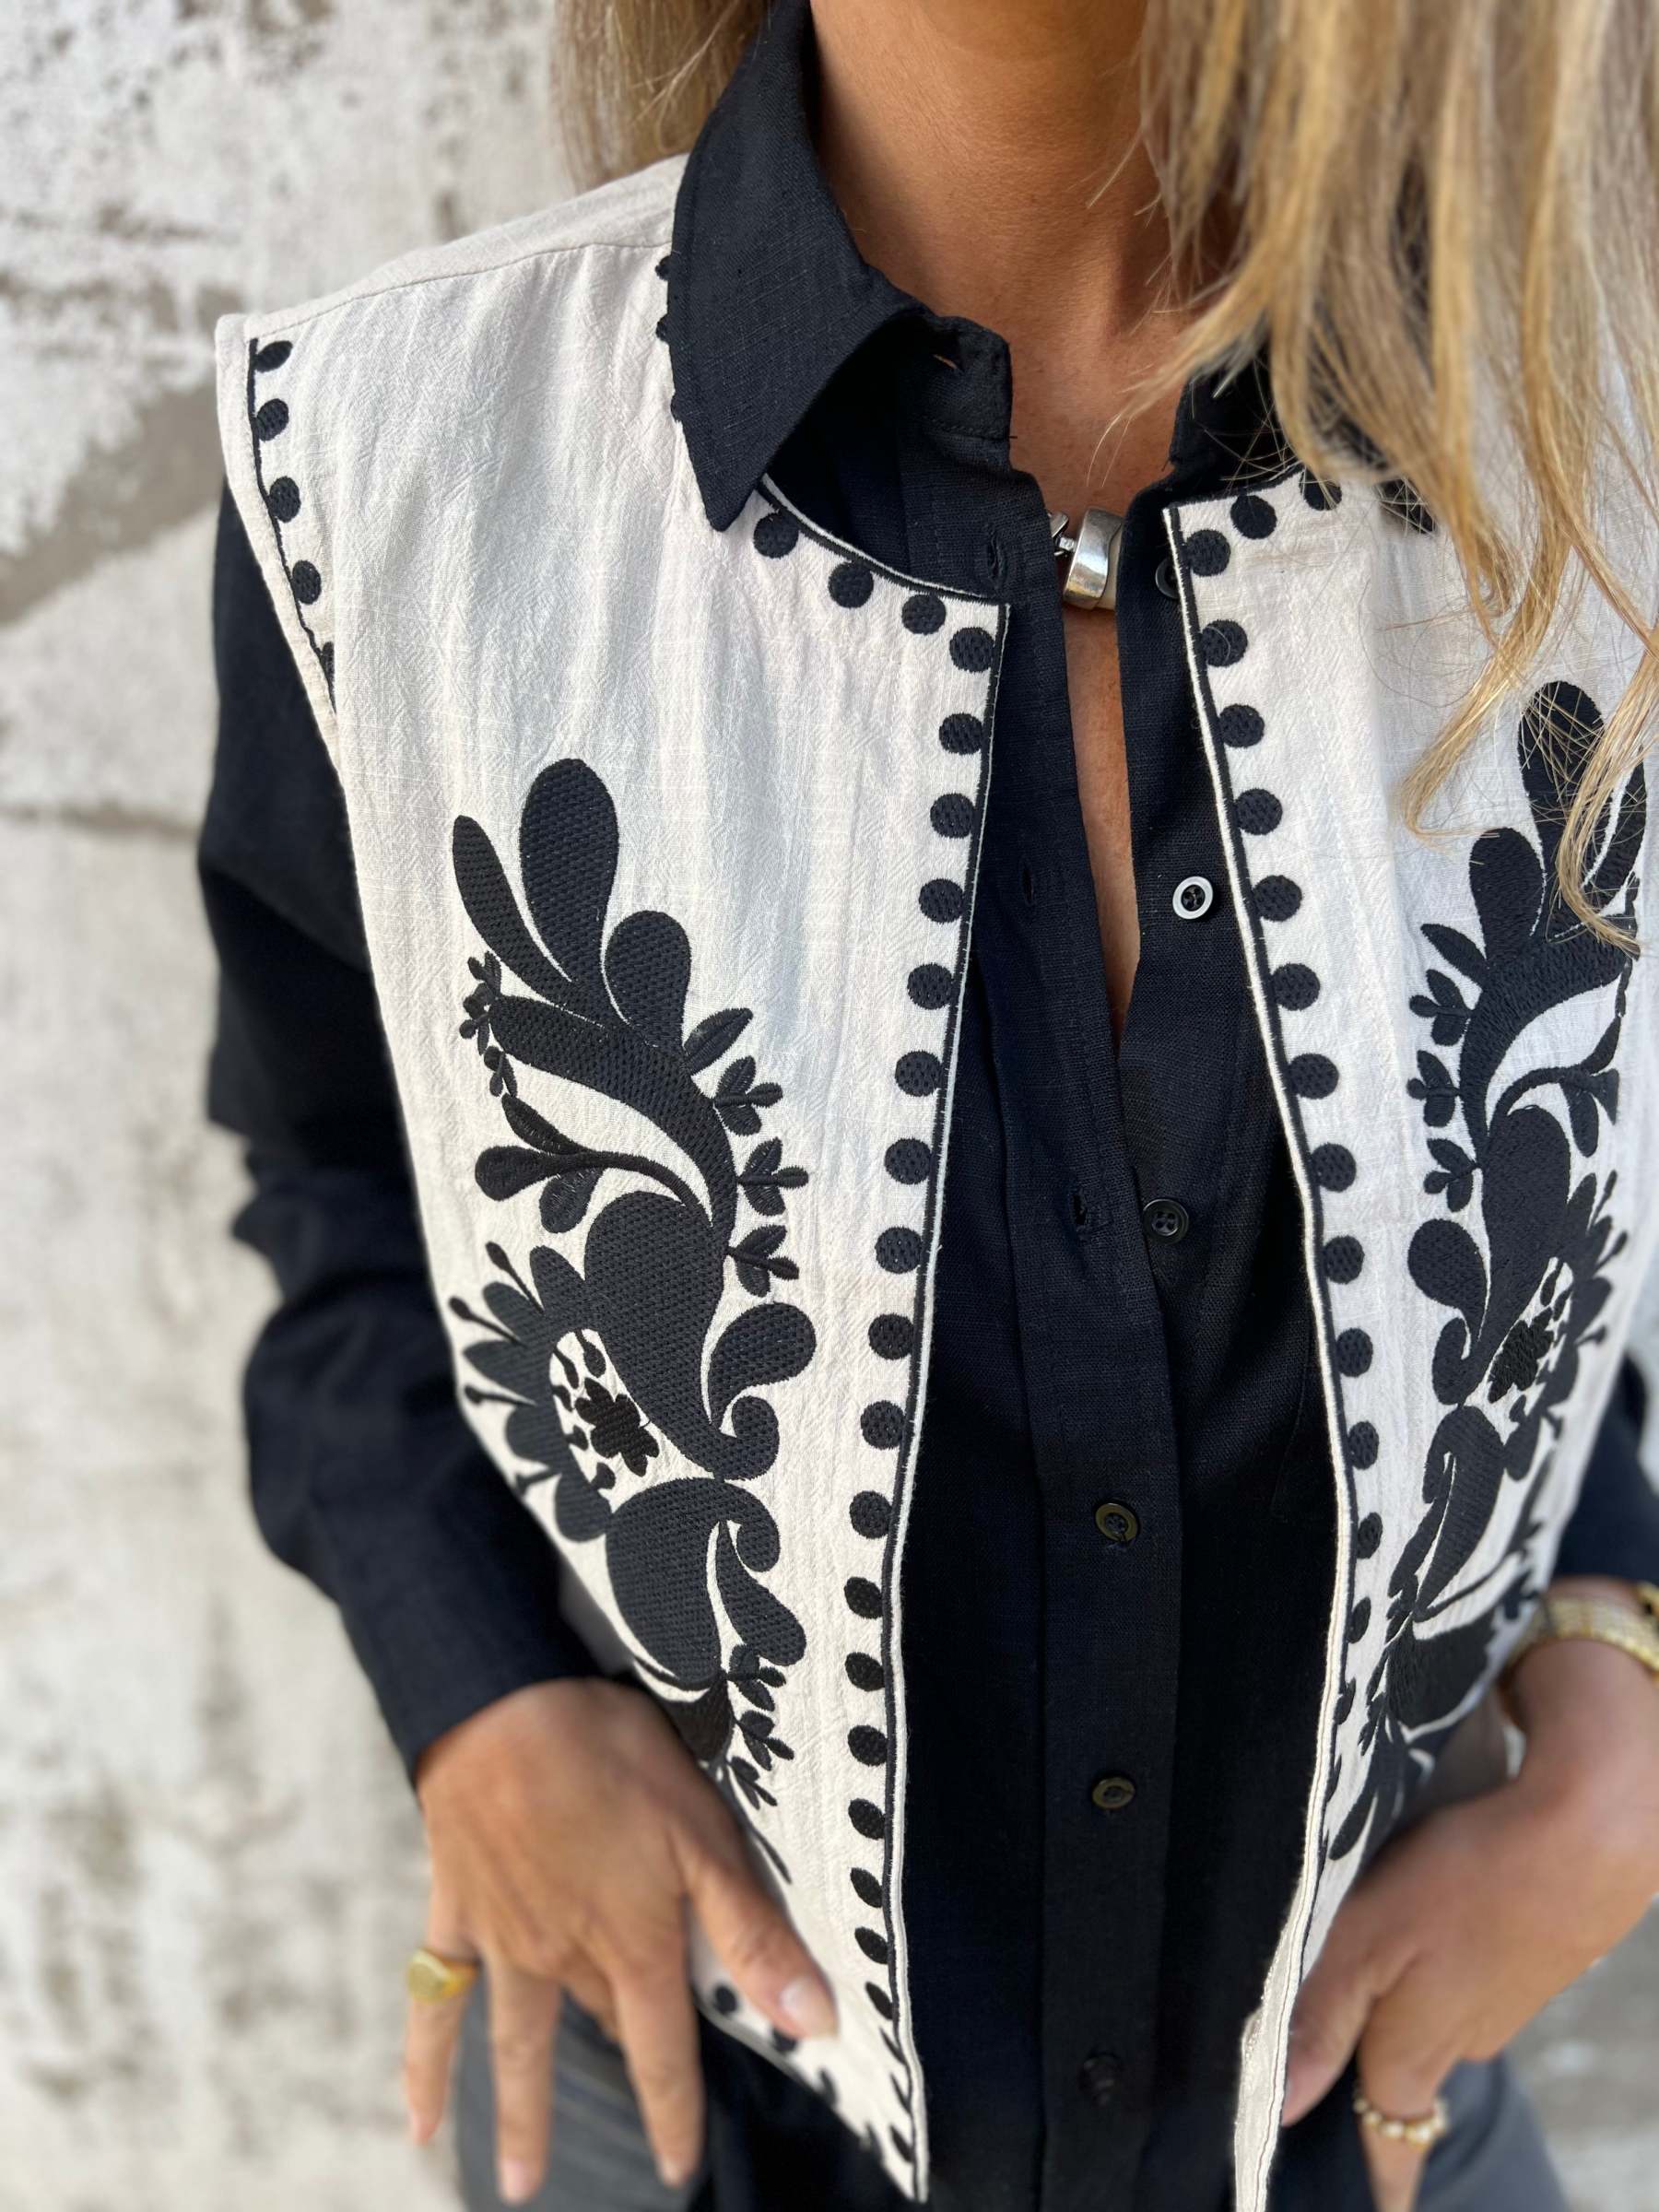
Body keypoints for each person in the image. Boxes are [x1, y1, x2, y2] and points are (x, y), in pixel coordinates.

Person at [198, 2, 1659, 2208]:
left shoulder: (1600, 446)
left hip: (1376, 2122)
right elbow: (335, 1175)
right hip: (687, 2103)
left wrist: (1623, 1663)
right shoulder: (390, 464)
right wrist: (471, 1688)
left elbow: (1569, 1160)